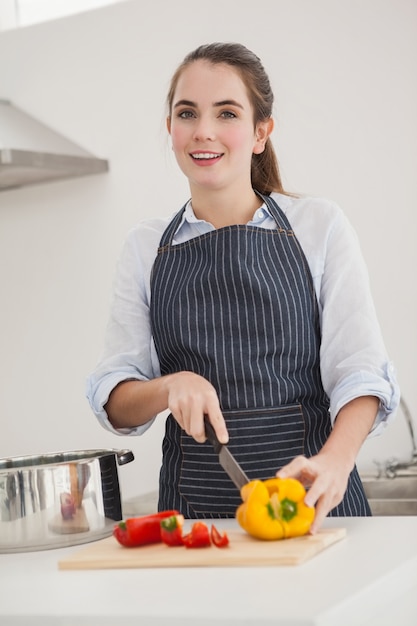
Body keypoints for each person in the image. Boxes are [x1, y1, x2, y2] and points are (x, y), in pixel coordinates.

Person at [87, 42, 399, 532]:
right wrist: (171, 386)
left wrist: (336, 461)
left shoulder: (319, 226)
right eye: (187, 112)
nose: (203, 131)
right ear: (170, 129)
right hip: (198, 528)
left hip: (319, 513)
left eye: (226, 113)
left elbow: (360, 374)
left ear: (260, 133)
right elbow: (116, 401)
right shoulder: (145, 247)